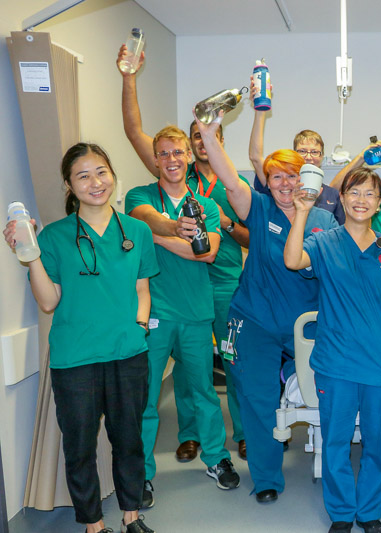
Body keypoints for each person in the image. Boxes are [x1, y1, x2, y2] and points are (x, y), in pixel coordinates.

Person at [3, 143, 158, 533]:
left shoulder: (136, 231)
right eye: (83, 176)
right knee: (79, 448)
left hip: (128, 353)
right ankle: (92, 523)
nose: (95, 182)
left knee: (129, 440)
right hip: (75, 359)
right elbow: (48, 300)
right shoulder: (54, 237)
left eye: (101, 172)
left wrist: (139, 326)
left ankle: (131, 516)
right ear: (69, 185)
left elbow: (143, 289)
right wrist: (30, 255)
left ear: (112, 174)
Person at [194, 110, 338, 504]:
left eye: (293, 175)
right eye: (277, 177)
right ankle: (268, 477)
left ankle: (331, 459)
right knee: (258, 397)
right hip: (254, 320)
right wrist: (209, 136)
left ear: (307, 178)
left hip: (304, 324)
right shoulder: (258, 209)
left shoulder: (324, 220)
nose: (285, 184)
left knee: (321, 387)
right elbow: (228, 177)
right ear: (268, 183)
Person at [117, 44, 248, 462]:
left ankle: (243, 432)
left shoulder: (228, 186)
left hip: (223, 285)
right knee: (186, 376)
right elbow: (136, 134)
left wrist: (220, 227)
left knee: (231, 364)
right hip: (174, 294)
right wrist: (129, 77)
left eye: (203, 138)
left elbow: (231, 242)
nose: (179, 154)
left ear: (215, 140)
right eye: (172, 150)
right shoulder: (165, 183)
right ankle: (189, 435)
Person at [284, 167, 381, 533]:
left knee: (378, 443)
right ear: (342, 198)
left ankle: (369, 512)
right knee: (336, 441)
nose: (361, 200)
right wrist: (301, 211)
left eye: (370, 194)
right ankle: (342, 514)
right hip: (337, 363)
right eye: (355, 192)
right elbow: (293, 260)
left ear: (380, 203)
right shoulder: (324, 241)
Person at [125, 125, 240, 507]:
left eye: (178, 153)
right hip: (153, 312)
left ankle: (216, 459)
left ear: (189, 157)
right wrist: (169, 231)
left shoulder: (205, 205)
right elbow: (144, 216)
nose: (171, 160)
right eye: (164, 154)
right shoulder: (140, 195)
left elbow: (205, 253)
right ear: (155, 159)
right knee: (146, 397)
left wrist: (153, 237)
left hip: (195, 312)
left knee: (204, 392)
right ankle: (141, 474)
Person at [248, 83, 344, 224]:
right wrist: (260, 111)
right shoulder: (281, 186)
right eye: (303, 151)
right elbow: (255, 158)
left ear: (322, 157)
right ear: (294, 154)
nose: (309, 157)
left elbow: (339, 235)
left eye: (315, 152)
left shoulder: (331, 194)